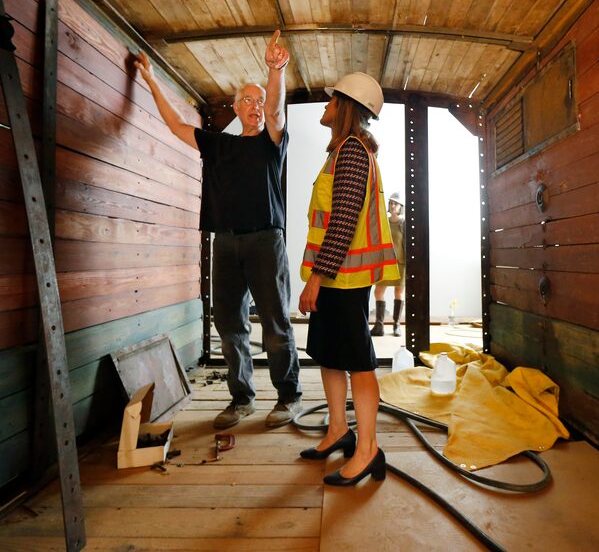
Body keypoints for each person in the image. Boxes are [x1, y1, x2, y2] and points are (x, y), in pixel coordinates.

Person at [134, 30, 302, 430]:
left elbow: (278, 111)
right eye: (248, 99)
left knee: (276, 325)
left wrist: (274, 70)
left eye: (260, 101)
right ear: (234, 106)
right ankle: (241, 398)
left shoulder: (272, 142)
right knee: (229, 326)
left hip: (265, 241)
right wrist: (152, 81)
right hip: (224, 243)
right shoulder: (218, 145)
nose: (256, 106)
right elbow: (175, 125)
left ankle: (288, 396)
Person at [297, 72, 398, 486]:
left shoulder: (353, 153)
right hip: (337, 277)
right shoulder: (340, 152)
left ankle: (369, 450)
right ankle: (339, 429)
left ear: (345, 107)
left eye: (330, 101)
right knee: (330, 354)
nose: (325, 106)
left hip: (345, 279)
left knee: (358, 363)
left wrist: (315, 280)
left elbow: (341, 223)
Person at [370, 192, 405, 337]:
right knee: (378, 291)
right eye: (391, 203)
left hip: (401, 263)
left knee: (398, 291)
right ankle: (379, 326)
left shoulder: (404, 223)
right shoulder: (384, 221)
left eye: (395, 203)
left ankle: (396, 325)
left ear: (400, 206)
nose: (392, 205)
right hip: (385, 263)